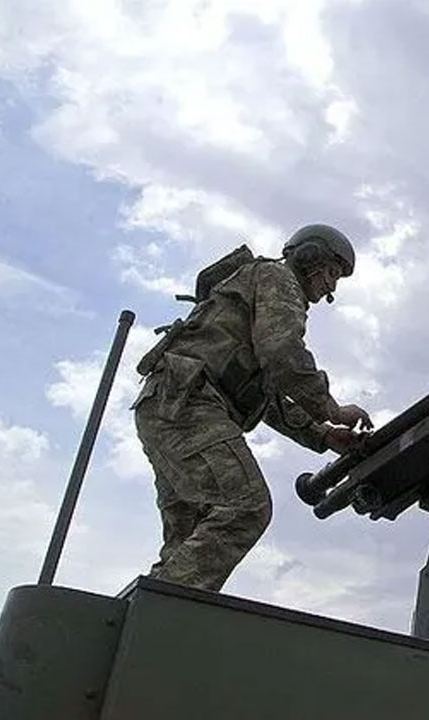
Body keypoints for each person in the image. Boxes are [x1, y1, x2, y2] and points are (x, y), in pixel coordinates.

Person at [131, 224, 374, 592]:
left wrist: (322, 434)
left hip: (169, 406)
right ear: (310, 258)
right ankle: (162, 616)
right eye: (331, 273)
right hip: (190, 405)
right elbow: (282, 355)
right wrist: (332, 409)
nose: (331, 290)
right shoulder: (278, 278)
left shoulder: (258, 285)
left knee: (192, 537)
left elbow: (269, 393)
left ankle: (151, 618)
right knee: (246, 507)